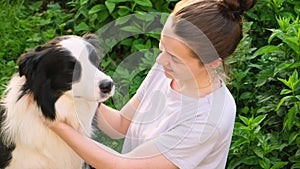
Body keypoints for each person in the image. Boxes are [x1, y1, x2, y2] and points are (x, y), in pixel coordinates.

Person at [49, 0, 256, 168]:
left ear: (211, 63)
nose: (160, 61)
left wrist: (54, 122)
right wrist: (78, 93)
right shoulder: (167, 70)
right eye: (162, 45)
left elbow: (123, 166)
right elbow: (121, 125)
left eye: (174, 57)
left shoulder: (208, 119)